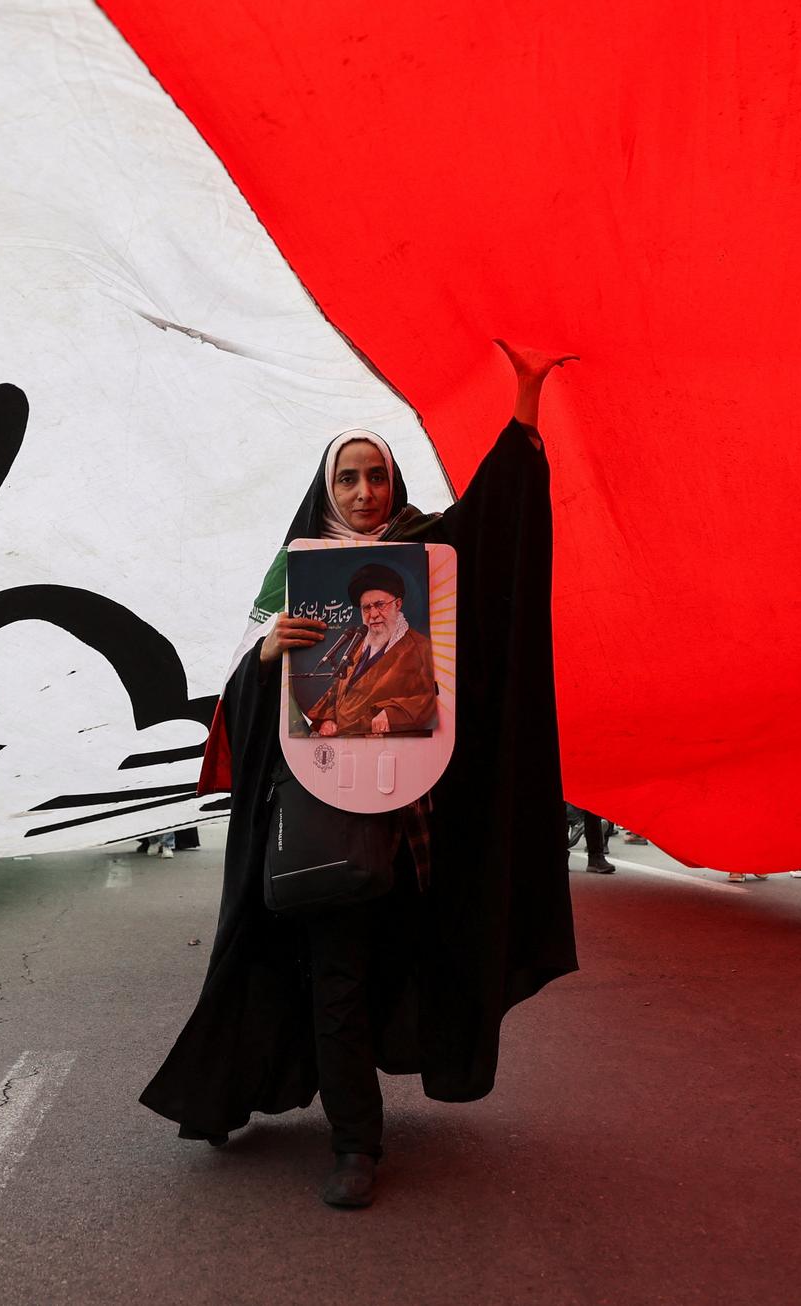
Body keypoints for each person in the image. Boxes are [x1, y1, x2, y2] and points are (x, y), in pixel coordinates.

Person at [140, 341, 580, 1209]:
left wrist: (524, 411)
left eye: (376, 476)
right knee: (332, 969)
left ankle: (358, 1102)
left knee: (398, 959)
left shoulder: (427, 551)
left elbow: (492, 529)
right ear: (327, 487)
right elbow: (239, 694)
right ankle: (354, 1143)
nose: (364, 494)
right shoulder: (294, 570)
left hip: (417, 818)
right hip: (320, 813)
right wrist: (270, 654)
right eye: (349, 479)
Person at [303, 563, 436, 736]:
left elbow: (434, 699)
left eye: (380, 605)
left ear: (398, 604)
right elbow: (338, 689)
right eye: (366, 608)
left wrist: (391, 714)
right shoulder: (358, 644)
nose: (373, 614)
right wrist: (329, 719)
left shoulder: (422, 648)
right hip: (341, 740)